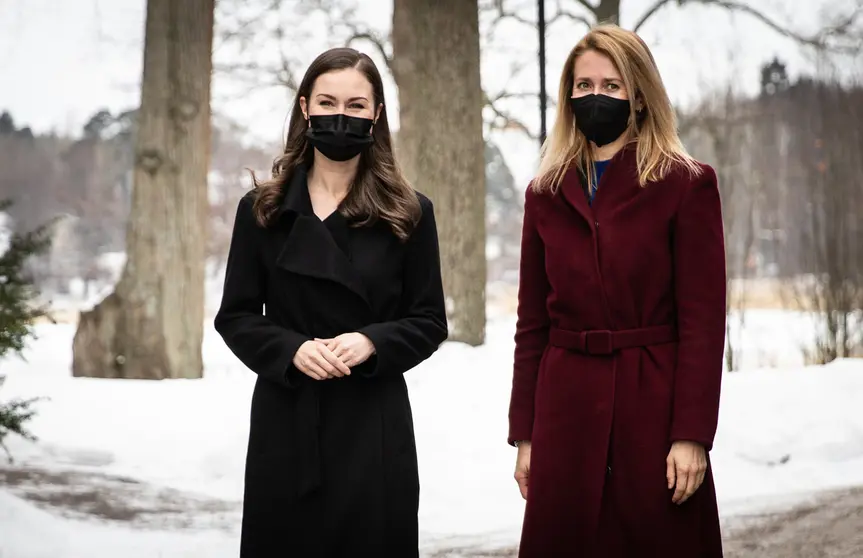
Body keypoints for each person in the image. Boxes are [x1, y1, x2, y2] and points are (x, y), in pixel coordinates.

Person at [214, 47, 448, 558]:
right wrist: (290, 350)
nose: (341, 115)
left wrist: (371, 341)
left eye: (356, 105)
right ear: (304, 108)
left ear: (376, 114)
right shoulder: (262, 210)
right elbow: (234, 316)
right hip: (287, 416)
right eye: (327, 101)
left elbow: (429, 320)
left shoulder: (408, 212)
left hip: (372, 423)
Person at [507, 24, 726, 558]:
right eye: (583, 86)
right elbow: (532, 323)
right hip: (565, 410)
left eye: (611, 86)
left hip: (651, 408)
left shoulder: (685, 184)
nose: (595, 98)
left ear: (640, 96)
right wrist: (526, 434)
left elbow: (703, 323)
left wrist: (691, 434)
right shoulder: (546, 192)